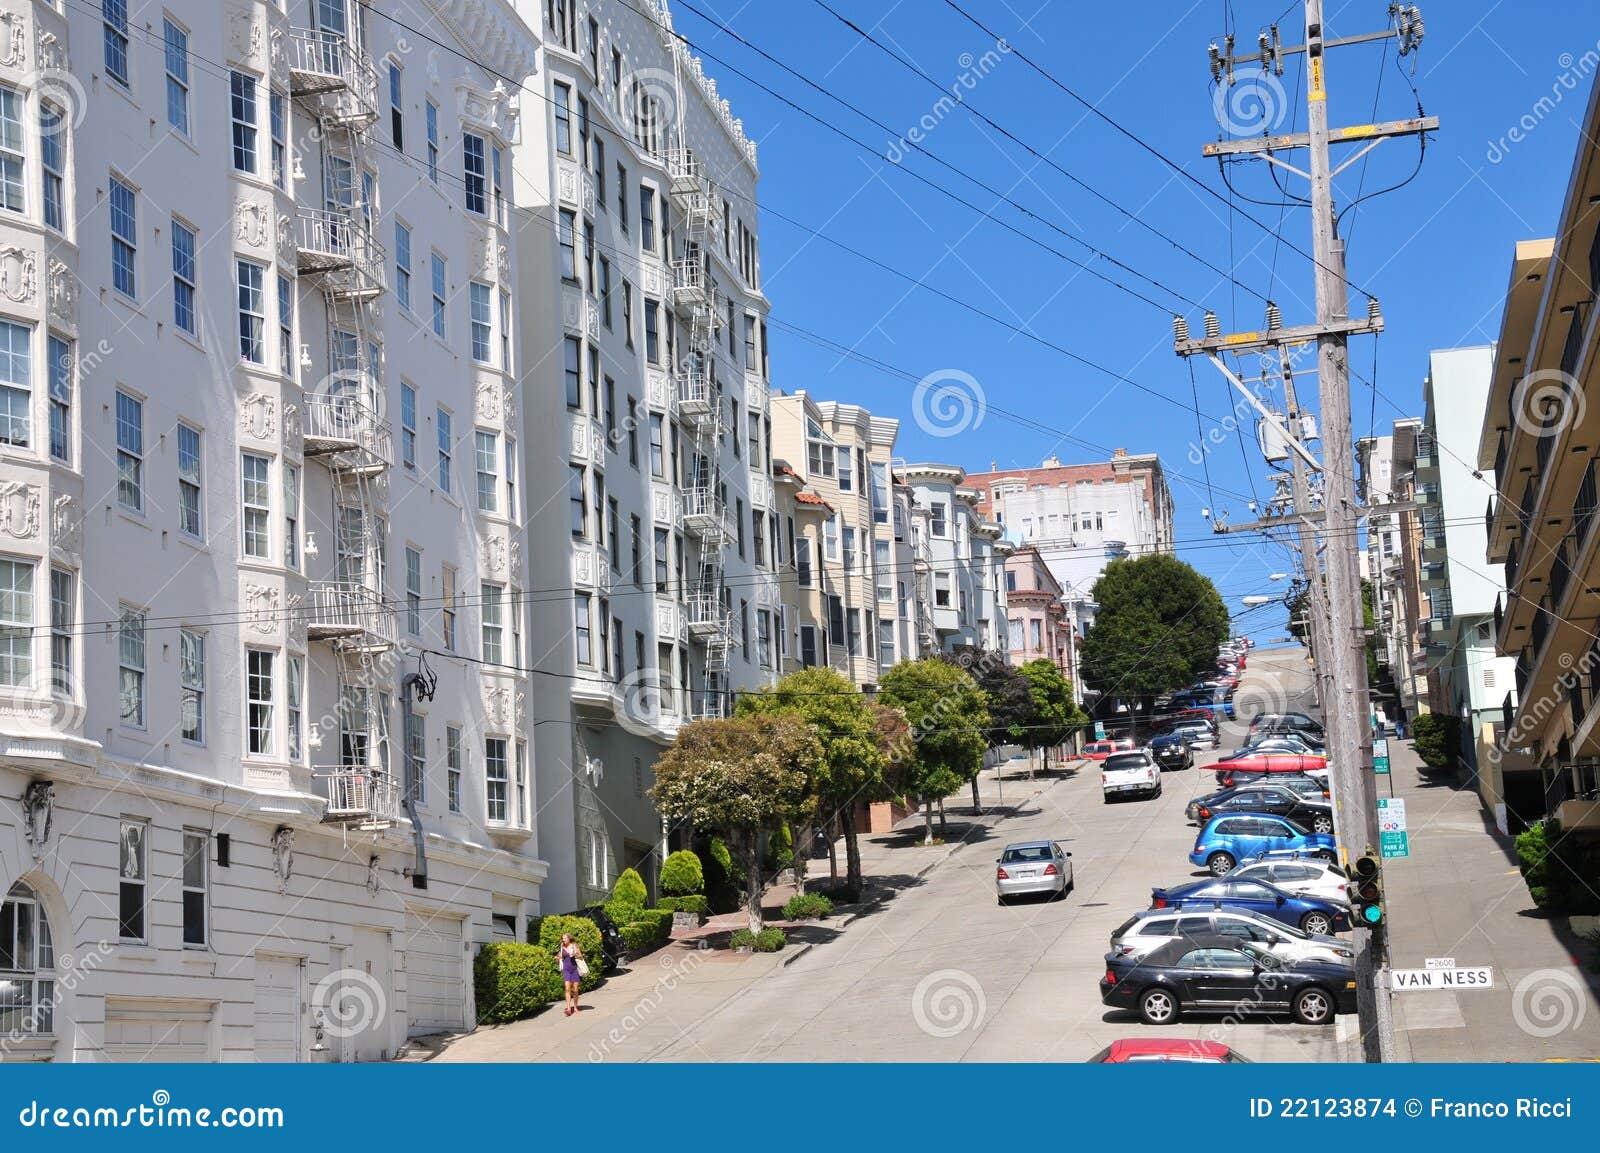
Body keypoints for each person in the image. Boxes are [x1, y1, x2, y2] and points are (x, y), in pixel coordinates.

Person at [557, 932, 585, 1016]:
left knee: (575, 989)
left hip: (574, 969)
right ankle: (569, 1008)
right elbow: (560, 957)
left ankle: (575, 1007)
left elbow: (581, 957)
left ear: (569, 939)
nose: (563, 940)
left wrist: (575, 954)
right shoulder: (561, 947)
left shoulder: (574, 946)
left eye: (565, 938)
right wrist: (557, 958)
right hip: (566, 970)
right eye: (563, 938)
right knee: (567, 988)